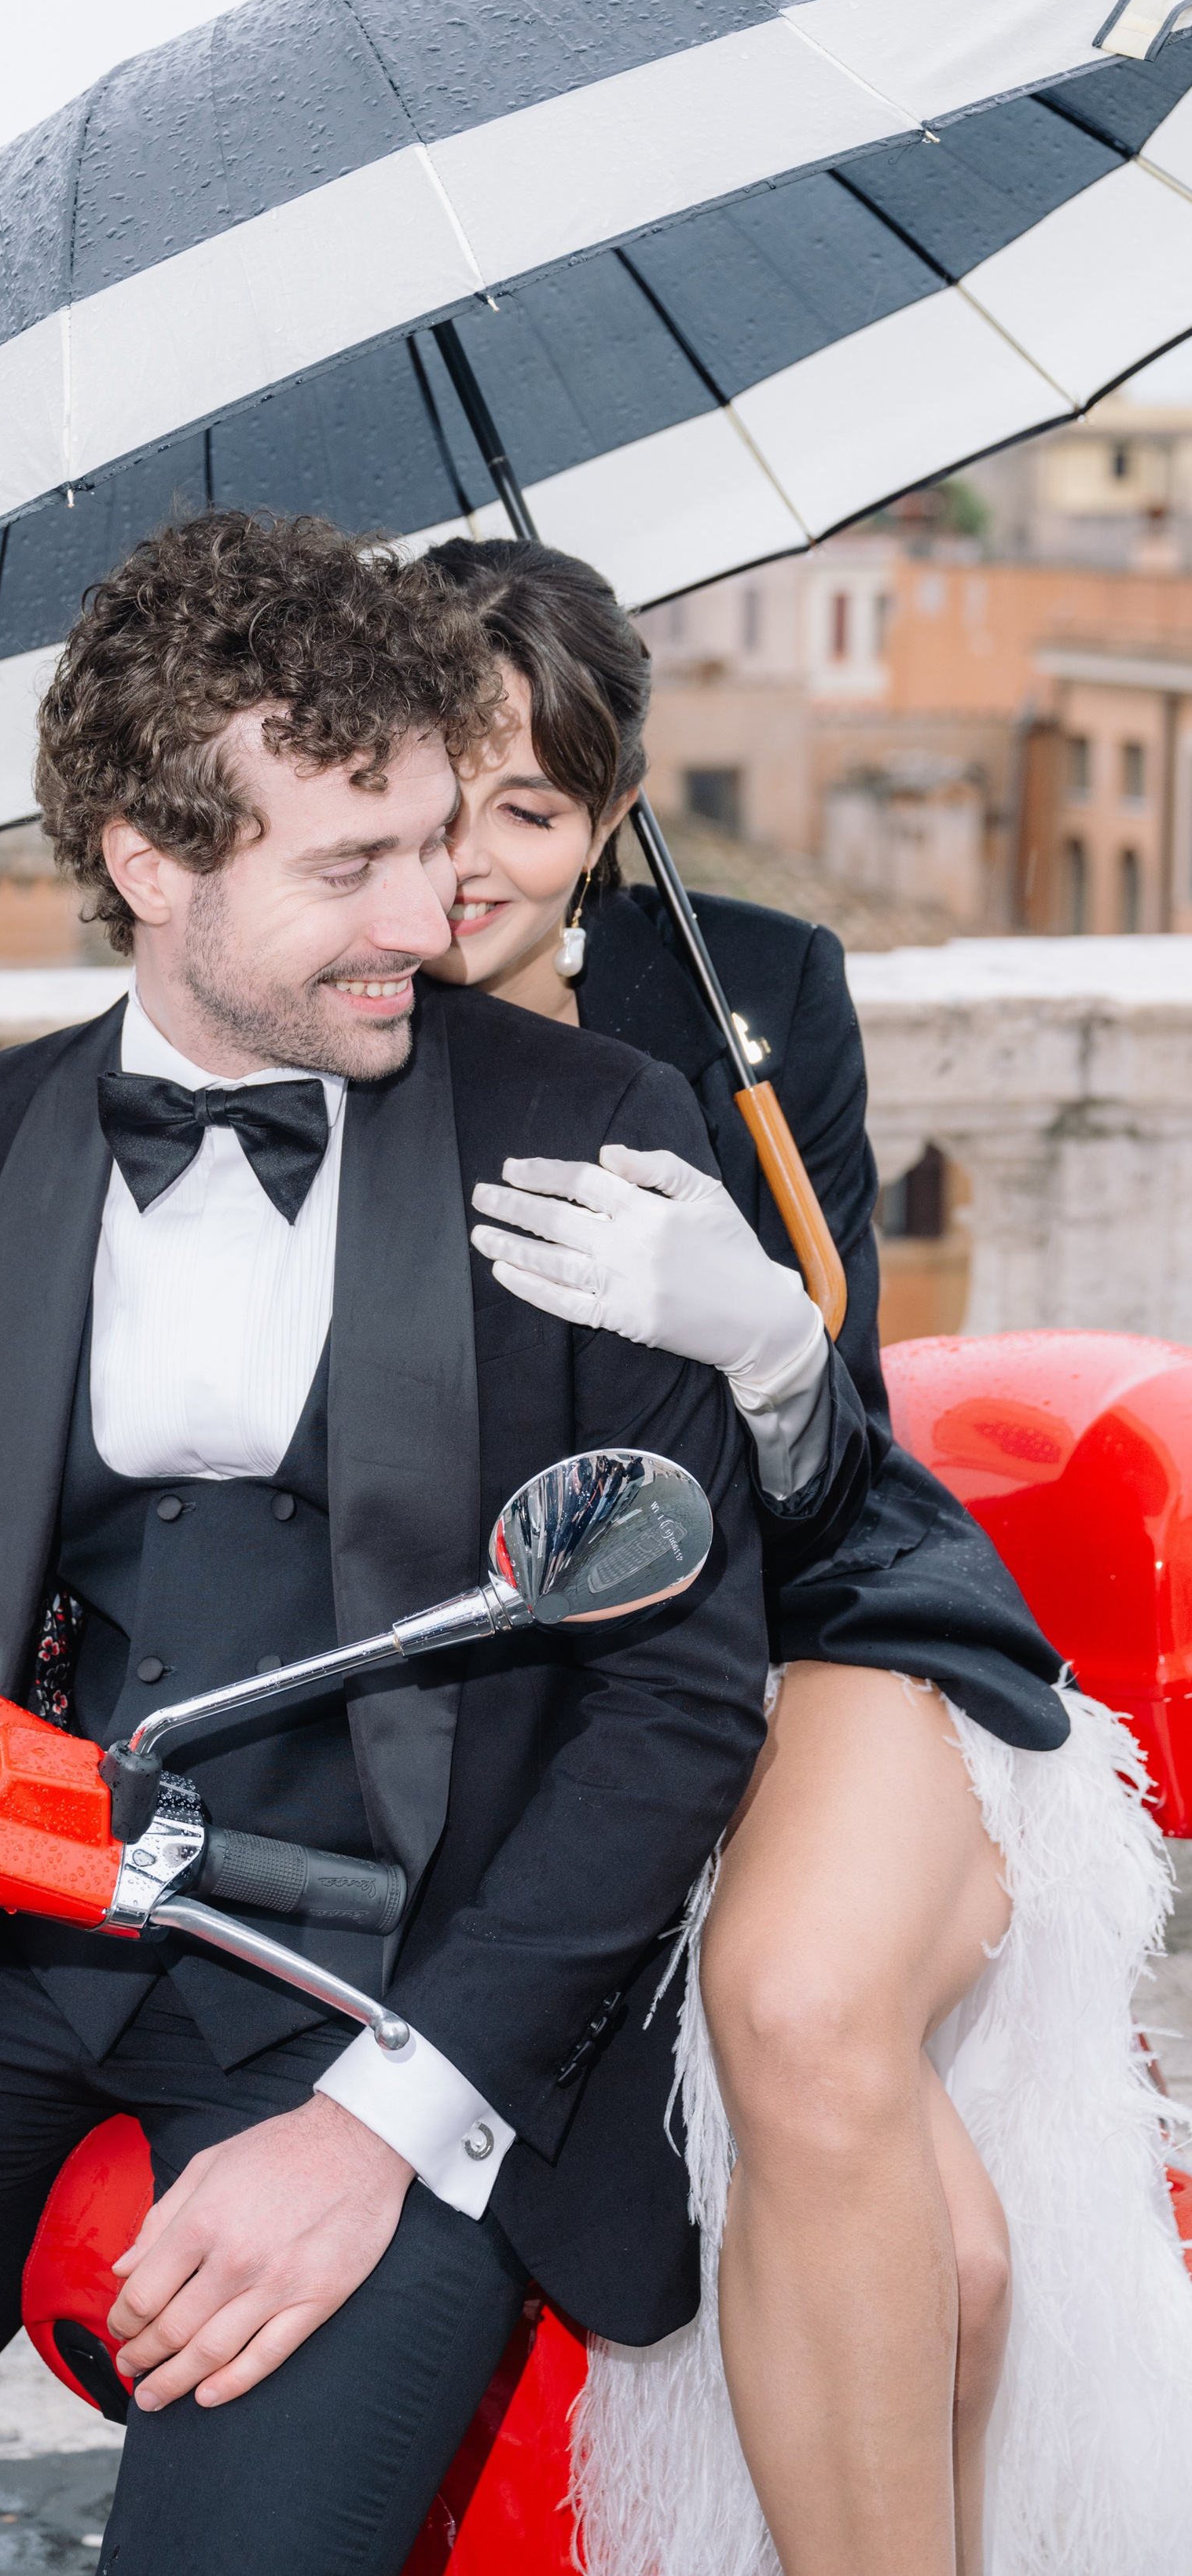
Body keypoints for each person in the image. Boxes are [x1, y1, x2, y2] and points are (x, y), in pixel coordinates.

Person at [0, 509, 772, 2576]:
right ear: (151, 861)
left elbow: (674, 1700)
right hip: (28, 1944)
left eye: (435, 840)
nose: (430, 913)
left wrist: (382, 2123)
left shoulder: (597, 1127)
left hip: (394, 1990)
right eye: (349, 865)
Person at [424, 535, 1192, 2576]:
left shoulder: (749, 992)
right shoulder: (325, 1011)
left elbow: (840, 1444)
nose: (473, 861)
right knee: (951, 2275)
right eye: (433, 797)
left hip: (820, 1608)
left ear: (611, 815)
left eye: (533, 807)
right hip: (549, 1669)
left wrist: (763, 1338)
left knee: (788, 2001)